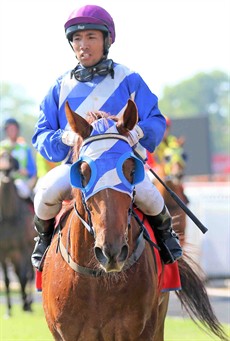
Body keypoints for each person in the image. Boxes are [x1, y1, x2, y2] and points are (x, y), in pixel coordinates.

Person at [31, 4, 182, 271]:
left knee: (149, 193)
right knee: (46, 191)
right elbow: (41, 135)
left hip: (123, 165)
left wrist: (137, 132)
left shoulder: (129, 79)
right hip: (80, 169)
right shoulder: (59, 87)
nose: (83, 45)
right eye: (77, 38)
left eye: (91, 37)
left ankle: (166, 239)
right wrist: (65, 137)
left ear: (106, 40)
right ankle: (43, 240)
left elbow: (155, 119)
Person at [0, 118, 37, 200]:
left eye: (14, 129)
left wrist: (26, 171)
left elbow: (32, 170)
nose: (12, 131)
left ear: (17, 130)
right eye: (9, 129)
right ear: (6, 131)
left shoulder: (24, 147)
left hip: (20, 180)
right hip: (3, 178)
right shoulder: (2, 147)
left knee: (25, 192)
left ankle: (33, 211)